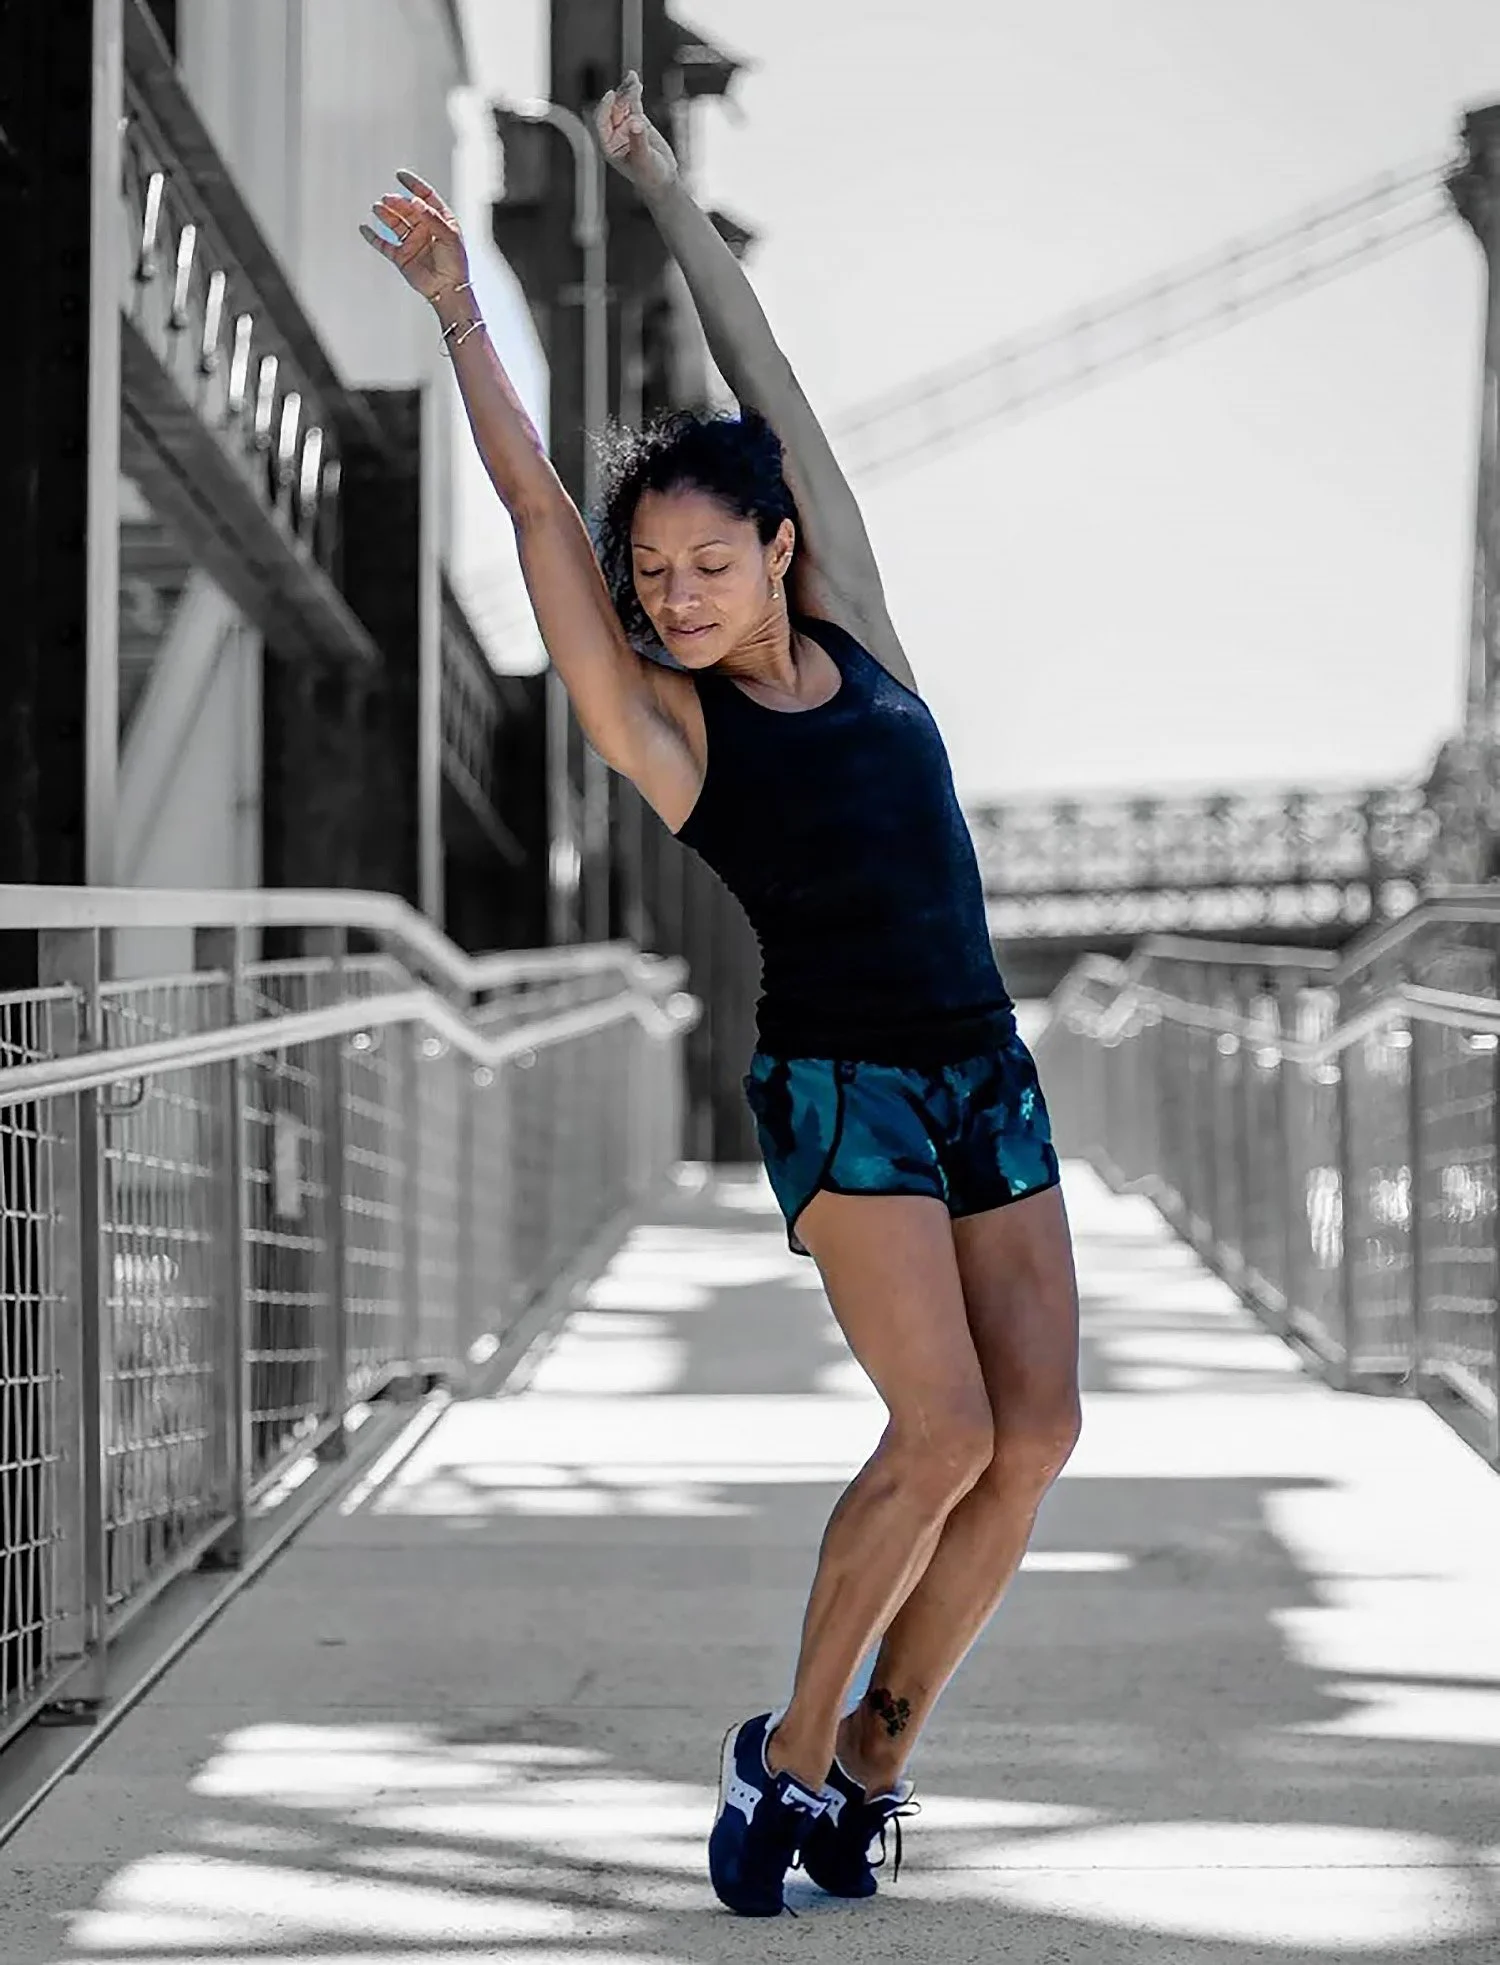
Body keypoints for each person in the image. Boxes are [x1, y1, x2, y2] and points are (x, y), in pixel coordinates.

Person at [360, 70, 1081, 1920]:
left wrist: (665, 193)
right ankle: (781, 1759)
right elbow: (534, 511)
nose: (672, 598)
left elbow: (767, 378)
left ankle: (870, 1776)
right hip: (845, 1091)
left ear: (777, 546)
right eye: (650, 580)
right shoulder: (672, 735)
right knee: (942, 1435)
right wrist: (459, 310)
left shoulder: (865, 631)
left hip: (985, 1068)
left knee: (1040, 1435)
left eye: (703, 565)